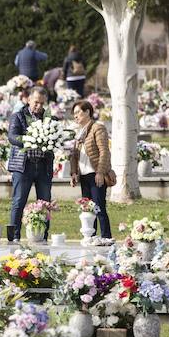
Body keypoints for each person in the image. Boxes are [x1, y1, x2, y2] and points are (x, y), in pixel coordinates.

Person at [6, 87, 54, 242]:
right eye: (35, 102)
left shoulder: (50, 118)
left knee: (45, 202)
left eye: (41, 103)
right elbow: (12, 137)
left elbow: (55, 137)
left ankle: (43, 236)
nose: (38, 106)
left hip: (43, 166)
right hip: (23, 166)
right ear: (28, 100)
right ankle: (13, 237)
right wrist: (29, 139)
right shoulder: (18, 116)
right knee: (18, 201)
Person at [69, 99, 112, 241]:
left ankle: (106, 238)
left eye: (78, 113)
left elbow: (104, 151)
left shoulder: (97, 128)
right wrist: (74, 173)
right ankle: (91, 237)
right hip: (84, 176)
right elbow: (74, 155)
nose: (75, 116)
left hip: (96, 174)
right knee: (87, 209)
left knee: (99, 208)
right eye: (73, 114)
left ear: (87, 112)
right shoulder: (79, 133)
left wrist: (100, 172)